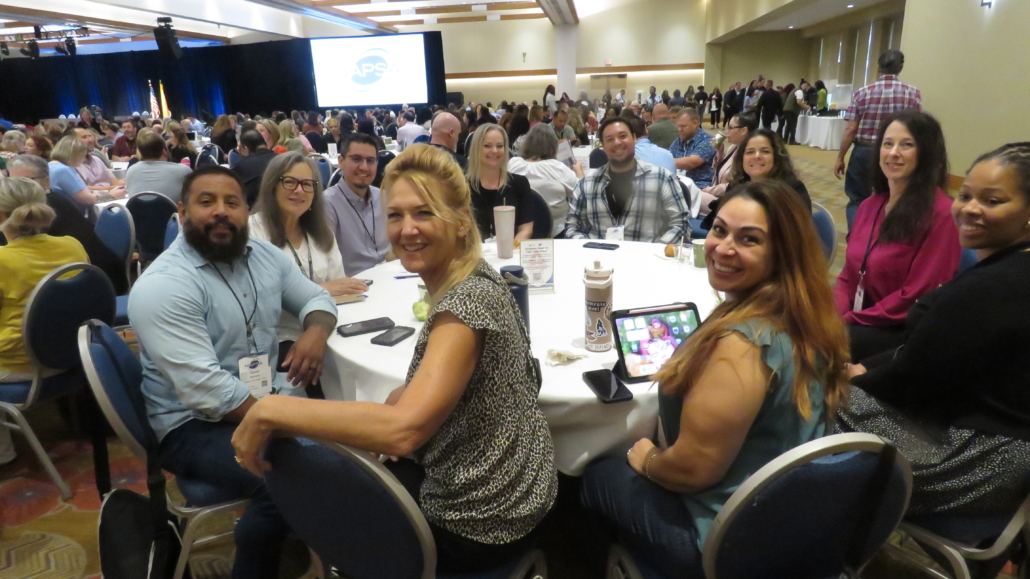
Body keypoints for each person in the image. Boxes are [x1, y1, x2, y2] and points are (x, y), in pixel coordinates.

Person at [230, 144, 558, 573]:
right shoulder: (476, 277)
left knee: (328, 499)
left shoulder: (466, 305)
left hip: (484, 519)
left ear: (461, 223)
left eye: (424, 213)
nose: (407, 229)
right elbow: (418, 397)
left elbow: (404, 432)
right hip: (517, 485)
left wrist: (271, 409)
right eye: (396, 215)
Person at [581, 181, 848, 577]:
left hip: (726, 545)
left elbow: (693, 471)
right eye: (719, 229)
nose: (723, 248)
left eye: (749, 240)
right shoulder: (808, 316)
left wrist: (650, 461)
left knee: (597, 473)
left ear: (781, 254)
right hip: (792, 524)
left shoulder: (742, 346)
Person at [128, 166, 337, 579]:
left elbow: (316, 297)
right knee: (287, 483)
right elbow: (209, 392)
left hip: (260, 397)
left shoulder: (263, 256)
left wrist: (314, 332)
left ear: (247, 211)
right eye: (207, 202)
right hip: (191, 424)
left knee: (331, 459)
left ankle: (292, 537)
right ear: (184, 214)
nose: (221, 212)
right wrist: (298, 421)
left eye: (232, 203)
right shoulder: (164, 286)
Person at [838, 142, 1030, 517]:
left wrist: (851, 378)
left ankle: (807, 525)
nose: (970, 209)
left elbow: (912, 378)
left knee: (805, 396)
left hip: (976, 467)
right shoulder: (1009, 270)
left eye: (992, 201)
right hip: (1005, 454)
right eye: (966, 195)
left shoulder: (993, 287)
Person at [833, 111, 961, 362]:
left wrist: (848, 321)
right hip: (863, 317)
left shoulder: (942, 214)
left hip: (900, 331)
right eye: (887, 143)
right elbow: (848, 276)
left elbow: (915, 297)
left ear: (926, 154)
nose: (893, 153)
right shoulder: (871, 205)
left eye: (907, 145)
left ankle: (851, 402)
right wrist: (833, 313)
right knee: (798, 329)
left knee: (817, 351)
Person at [0, 176, 90, 464]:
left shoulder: (3, 261)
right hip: (75, 357)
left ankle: (4, 456)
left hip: (21, 367)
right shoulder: (72, 245)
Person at [249, 152, 367, 354]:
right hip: (276, 342)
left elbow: (341, 288)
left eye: (307, 184)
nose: (299, 190)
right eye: (289, 182)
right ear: (272, 187)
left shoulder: (321, 234)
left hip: (327, 331)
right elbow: (260, 301)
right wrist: (322, 290)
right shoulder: (253, 233)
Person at [566, 116, 689, 243]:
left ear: (634, 139)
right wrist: (591, 251)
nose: (617, 142)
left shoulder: (662, 178)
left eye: (622, 136)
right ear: (602, 146)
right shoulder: (587, 183)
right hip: (599, 258)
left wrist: (655, 252)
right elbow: (573, 227)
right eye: (609, 139)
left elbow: (681, 225)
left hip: (647, 258)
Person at [835, 50, 922, 229]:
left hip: (864, 151)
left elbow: (851, 128)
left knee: (857, 199)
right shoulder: (912, 94)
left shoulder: (862, 93)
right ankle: (886, 239)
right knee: (894, 196)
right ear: (901, 67)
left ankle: (856, 237)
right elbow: (917, 130)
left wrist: (840, 157)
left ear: (878, 68)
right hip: (897, 154)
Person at [324, 133, 391, 276]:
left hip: (391, 274)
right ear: (341, 161)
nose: (364, 167)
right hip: (356, 283)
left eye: (371, 161)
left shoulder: (383, 197)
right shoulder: (327, 204)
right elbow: (327, 260)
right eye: (356, 159)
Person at [508, 123, 584, 237]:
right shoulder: (557, 168)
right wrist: (579, 172)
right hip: (557, 234)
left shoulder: (513, 165)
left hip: (517, 232)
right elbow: (582, 193)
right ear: (553, 145)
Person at [466, 124, 534, 242]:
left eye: (500, 146)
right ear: (476, 149)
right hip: (474, 254)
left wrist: (509, 250)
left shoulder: (520, 184)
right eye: (487, 146)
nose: (494, 151)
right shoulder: (462, 186)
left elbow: (526, 229)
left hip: (509, 254)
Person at [722, 129, 811, 212]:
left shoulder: (792, 189)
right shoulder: (735, 186)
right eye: (750, 152)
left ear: (776, 157)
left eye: (765, 151)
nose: (757, 156)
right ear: (742, 159)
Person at [49, 136, 125, 219]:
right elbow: (88, 199)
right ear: (76, 154)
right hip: (73, 218)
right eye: (83, 154)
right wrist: (113, 195)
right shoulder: (64, 170)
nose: (83, 159)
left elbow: (83, 193)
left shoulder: (50, 166)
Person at [698, 113, 759, 216]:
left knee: (690, 196)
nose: (727, 132)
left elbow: (737, 184)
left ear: (743, 130)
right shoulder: (734, 147)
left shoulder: (748, 155)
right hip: (719, 193)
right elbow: (719, 170)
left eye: (731, 128)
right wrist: (720, 152)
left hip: (731, 200)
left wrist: (709, 190)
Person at [125, 132, 193, 203]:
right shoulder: (183, 170)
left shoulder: (131, 171)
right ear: (165, 151)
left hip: (137, 213)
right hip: (172, 213)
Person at [670, 108, 717, 188]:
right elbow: (669, 154)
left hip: (699, 186)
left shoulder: (709, 140)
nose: (679, 129)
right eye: (678, 126)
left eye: (683, 126)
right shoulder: (679, 141)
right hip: (679, 183)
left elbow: (692, 162)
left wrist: (663, 160)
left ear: (695, 123)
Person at [233, 129, 279, 209]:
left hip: (253, 212)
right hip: (279, 209)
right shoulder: (281, 160)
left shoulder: (242, 165)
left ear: (245, 149)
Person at [72, 127, 125, 192]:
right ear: (72, 141)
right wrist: (113, 188)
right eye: (84, 137)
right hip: (93, 198)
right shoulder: (69, 165)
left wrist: (122, 183)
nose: (90, 140)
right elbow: (83, 188)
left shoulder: (96, 159)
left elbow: (113, 179)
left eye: (90, 136)